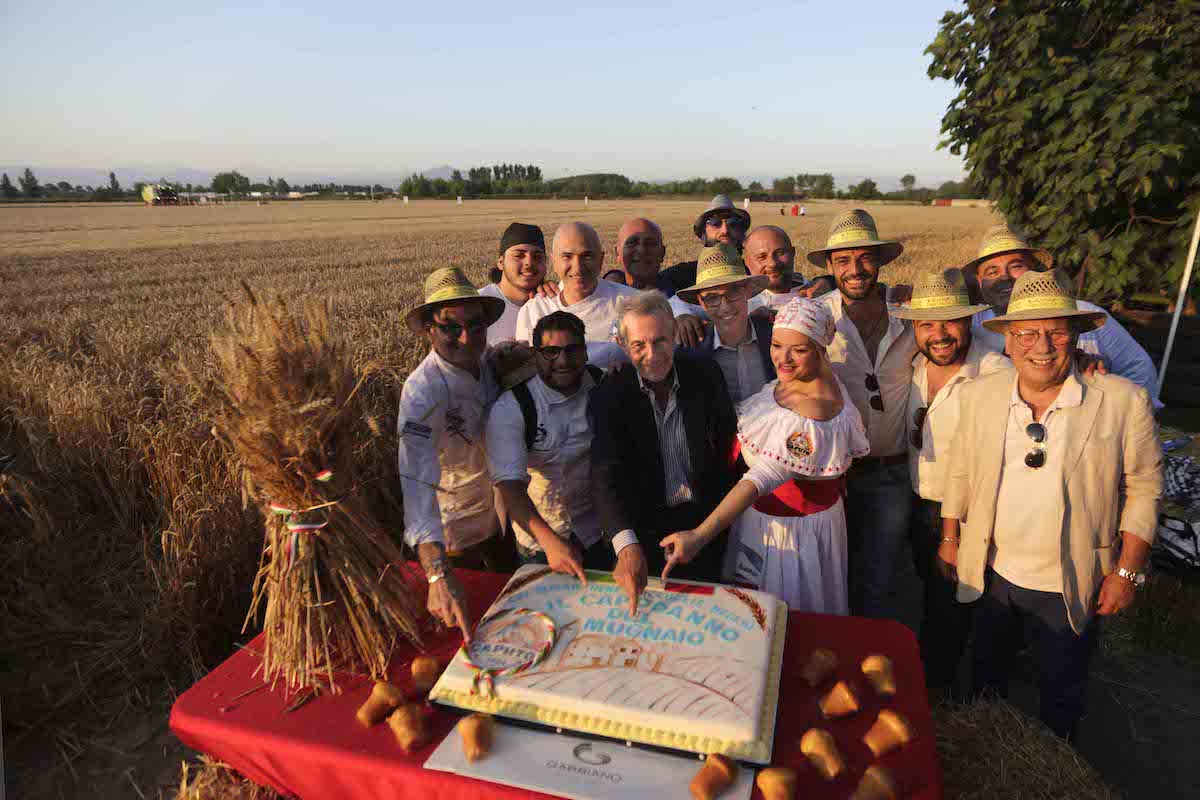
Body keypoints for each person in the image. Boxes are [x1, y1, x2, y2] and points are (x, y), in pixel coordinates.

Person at [939, 268, 1162, 739]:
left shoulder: (1122, 401)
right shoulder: (981, 395)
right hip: (993, 570)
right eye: (1028, 333)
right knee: (987, 675)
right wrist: (950, 538)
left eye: (1056, 332)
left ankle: (1057, 765)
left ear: (1077, 335)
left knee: (1062, 688)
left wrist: (1127, 572)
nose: (1041, 346)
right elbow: (959, 469)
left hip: (1072, 576)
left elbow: (1144, 486)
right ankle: (988, 753)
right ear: (1009, 340)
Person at [661, 299, 869, 614]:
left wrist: (699, 535)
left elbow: (762, 477)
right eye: (776, 344)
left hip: (790, 535)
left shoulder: (812, 414)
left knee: (779, 615)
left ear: (819, 349)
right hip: (761, 518)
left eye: (798, 349)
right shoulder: (799, 379)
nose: (782, 358)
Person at [891, 268, 1009, 692]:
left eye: (951, 321)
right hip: (918, 503)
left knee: (954, 606)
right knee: (933, 596)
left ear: (969, 321)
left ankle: (943, 696)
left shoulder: (997, 372)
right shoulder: (916, 364)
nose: (939, 334)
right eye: (926, 324)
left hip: (965, 514)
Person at [590, 290, 739, 612]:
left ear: (674, 337)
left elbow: (728, 453)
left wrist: (711, 530)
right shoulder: (610, 393)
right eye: (639, 345)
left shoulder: (705, 375)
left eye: (660, 341)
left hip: (704, 528)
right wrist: (626, 546)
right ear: (622, 346)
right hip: (646, 534)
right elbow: (605, 474)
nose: (652, 354)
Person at [807, 209, 918, 620]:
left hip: (893, 471)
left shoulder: (910, 312)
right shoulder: (816, 316)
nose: (855, 270)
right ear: (831, 267)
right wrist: (685, 316)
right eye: (843, 261)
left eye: (864, 258)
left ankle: (873, 662)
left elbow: (963, 333)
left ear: (881, 261)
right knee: (831, 572)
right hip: (836, 473)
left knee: (882, 577)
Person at [398, 267, 512, 640]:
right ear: (429, 329)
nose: (466, 337)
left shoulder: (488, 363)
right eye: (450, 327)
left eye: (476, 326)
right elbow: (417, 485)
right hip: (455, 539)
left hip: (501, 522)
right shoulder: (422, 394)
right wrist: (437, 573)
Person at [964, 224, 1161, 407]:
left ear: (1034, 270)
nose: (1004, 277)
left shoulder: (1083, 314)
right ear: (980, 282)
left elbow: (1138, 369)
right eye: (992, 271)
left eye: (1016, 266)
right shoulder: (974, 326)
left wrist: (1124, 418)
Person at [486, 311, 604, 580]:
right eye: (551, 352)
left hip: (597, 534)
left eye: (572, 350)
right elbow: (509, 486)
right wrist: (550, 543)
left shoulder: (603, 385)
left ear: (585, 352)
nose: (562, 361)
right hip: (540, 540)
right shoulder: (513, 407)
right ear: (536, 355)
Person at [516, 222, 638, 369]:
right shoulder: (533, 310)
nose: (578, 267)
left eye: (586, 256)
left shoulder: (633, 304)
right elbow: (526, 372)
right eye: (567, 256)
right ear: (554, 262)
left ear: (601, 260)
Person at [674, 243, 774, 404]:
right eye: (712, 297)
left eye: (733, 291)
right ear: (702, 302)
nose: (725, 306)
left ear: (748, 291)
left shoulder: (775, 336)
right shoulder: (689, 353)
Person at [480, 223, 547, 345]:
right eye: (519, 255)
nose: (529, 262)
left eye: (537, 256)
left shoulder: (553, 303)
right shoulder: (479, 305)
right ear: (501, 262)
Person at [742, 226, 810, 314]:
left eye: (780, 253)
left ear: (793, 253)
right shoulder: (741, 308)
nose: (772, 263)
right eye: (762, 257)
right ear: (747, 262)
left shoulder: (819, 295)